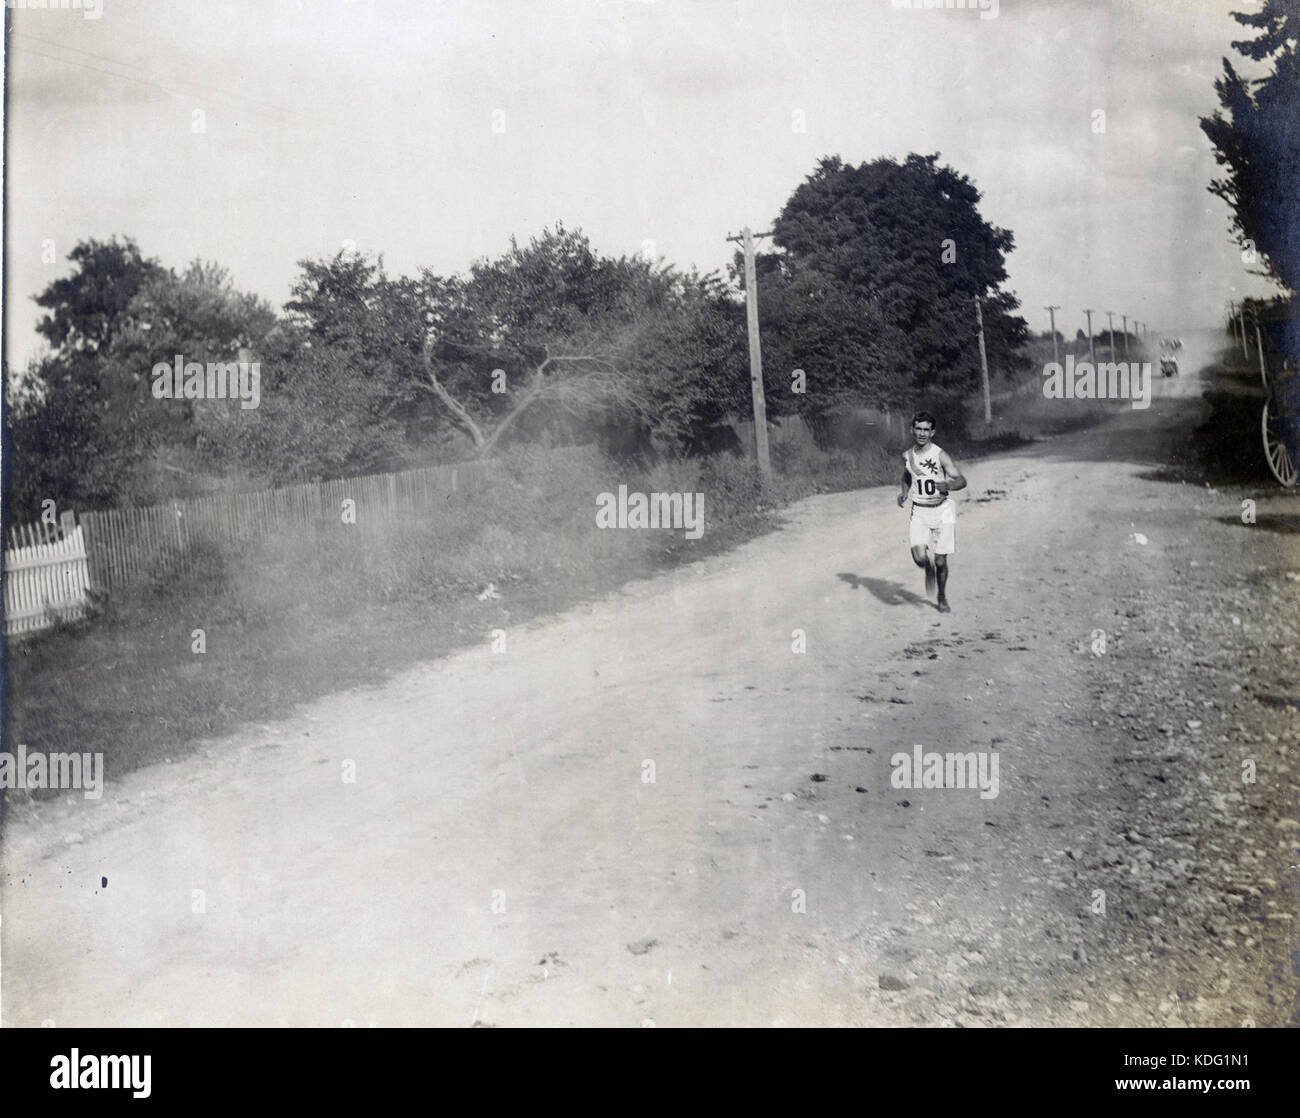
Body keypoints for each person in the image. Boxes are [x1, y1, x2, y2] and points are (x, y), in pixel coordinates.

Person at [896, 411, 967, 613]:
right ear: (912, 430)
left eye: (926, 430)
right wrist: (903, 493)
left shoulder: (940, 455)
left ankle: (942, 596)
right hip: (919, 511)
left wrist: (948, 485)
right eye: (918, 429)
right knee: (919, 558)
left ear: (932, 432)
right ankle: (928, 570)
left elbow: (961, 480)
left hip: (943, 510)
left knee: (941, 560)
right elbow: (907, 476)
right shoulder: (907, 456)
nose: (922, 433)